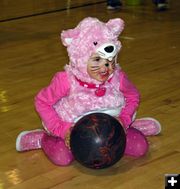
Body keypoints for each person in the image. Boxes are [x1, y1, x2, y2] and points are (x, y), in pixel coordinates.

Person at [16, 17, 161, 166]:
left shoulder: (118, 78)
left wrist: (124, 119)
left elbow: (133, 96)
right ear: (81, 58)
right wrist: (62, 130)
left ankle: (132, 125)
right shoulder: (66, 80)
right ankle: (44, 138)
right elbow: (42, 102)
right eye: (97, 60)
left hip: (111, 128)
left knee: (140, 148)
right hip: (71, 129)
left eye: (109, 61)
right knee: (63, 158)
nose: (105, 68)